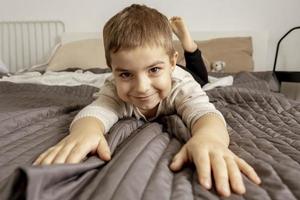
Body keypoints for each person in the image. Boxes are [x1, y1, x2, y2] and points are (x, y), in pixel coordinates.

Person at [33, 4, 261, 197]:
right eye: (125, 74)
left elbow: (204, 112)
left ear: (171, 63)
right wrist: (85, 131)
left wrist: (210, 138)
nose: (141, 88)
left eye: (153, 69)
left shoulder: (180, 85)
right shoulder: (114, 89)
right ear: (112, 70)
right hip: (162, 73)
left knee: (201, 77)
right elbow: (97, 111)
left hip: (186, 75)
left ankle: (188, 43)